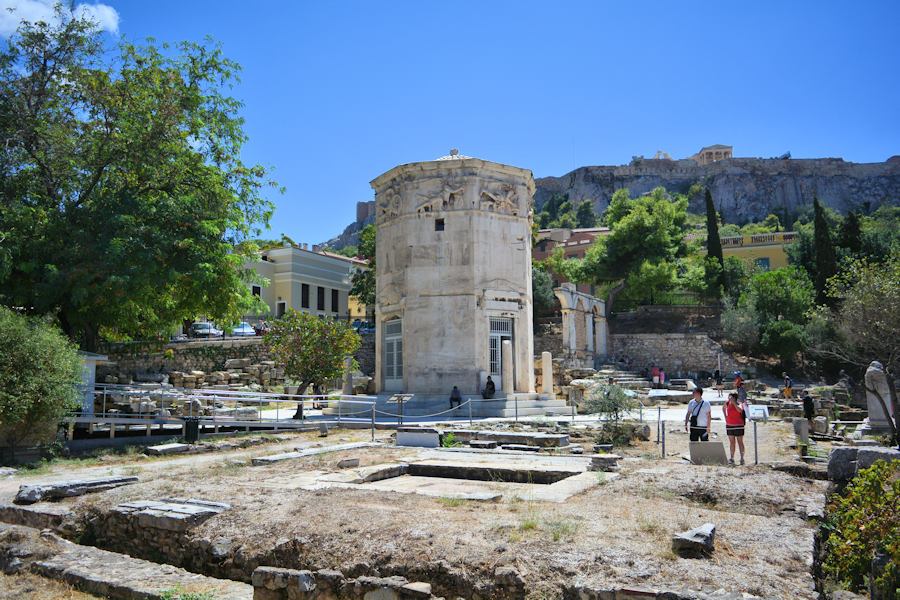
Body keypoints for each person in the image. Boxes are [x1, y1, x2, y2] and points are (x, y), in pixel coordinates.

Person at [723, 392, 746, 465]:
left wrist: (734, 403)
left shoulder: (739, 403)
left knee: (740, 442)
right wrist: (725, 416)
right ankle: (732, 458)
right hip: (729, 425)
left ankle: (742, 458)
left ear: (734, 398)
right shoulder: (727, 403)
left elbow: (740, 410)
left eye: (731, 397)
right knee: (732, 442)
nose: (729, 398)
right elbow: (723, 408)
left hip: (739, 425)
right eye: (729, 397)